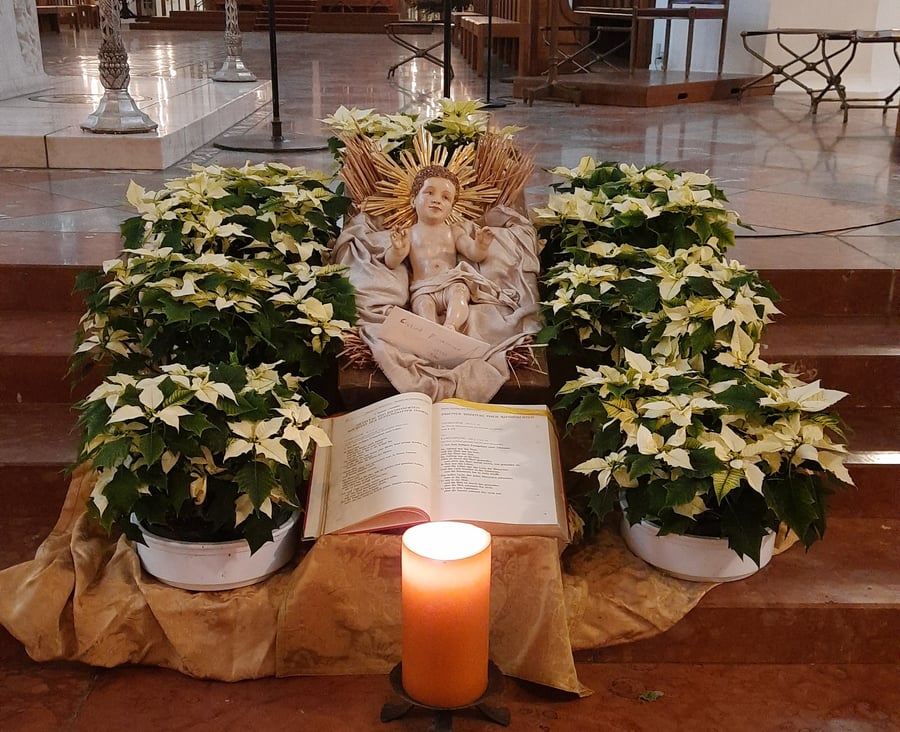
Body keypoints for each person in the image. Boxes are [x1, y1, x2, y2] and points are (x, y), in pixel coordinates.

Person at [384, 165, 496, 332]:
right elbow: (391, 262)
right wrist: (398, 249)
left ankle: (451, 326)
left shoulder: (454, 231)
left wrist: (481, 245)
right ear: (413, 200)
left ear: (451, 208)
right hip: (423, 287)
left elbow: (474, 254)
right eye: (429, 193)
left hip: (451, 281)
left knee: (459, 293)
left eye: (445, 197)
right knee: (423, 306)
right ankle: (432, 332)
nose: (436, 200)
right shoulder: (409, 234)